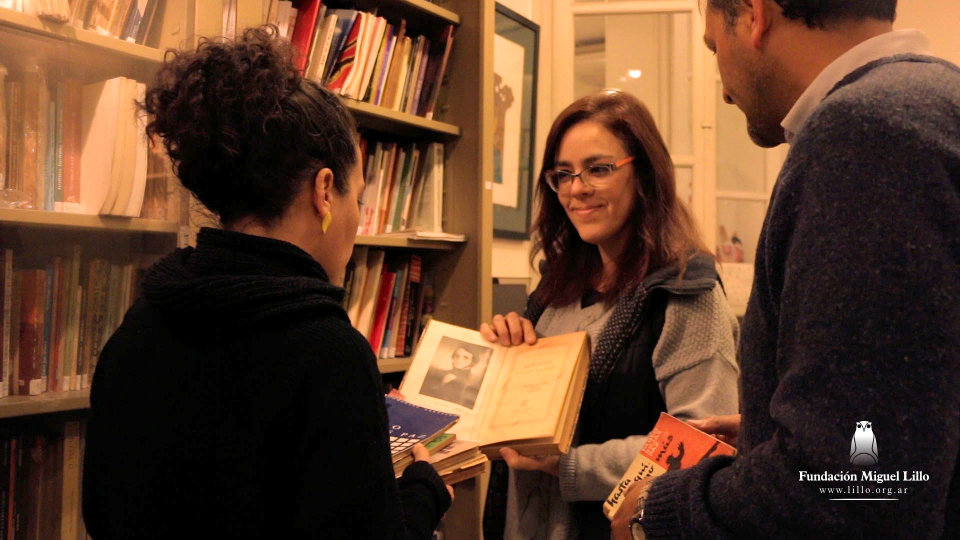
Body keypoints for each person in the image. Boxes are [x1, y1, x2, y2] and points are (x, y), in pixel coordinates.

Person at [81, 27, 451, 539]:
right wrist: (424, 493)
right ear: (325, 191)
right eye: (357, 200)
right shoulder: (327, 352)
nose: (355, 220)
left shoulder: (142, 321)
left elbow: (103, 510)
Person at [611, 1, 960, 538]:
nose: (724, 90)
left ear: (753, 16)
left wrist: (658, 511)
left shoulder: (864, 135)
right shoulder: (932, 105)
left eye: (712, 47)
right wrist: (770, 432)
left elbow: (855, 489)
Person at [481, 90, 741, 540]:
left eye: (598, 169)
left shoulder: (685, 293)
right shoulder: (553, 289)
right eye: (563, 174)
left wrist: (572, 467)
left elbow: (703, 445)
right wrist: (507, 355)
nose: (576, 189)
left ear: (644, 174)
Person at [420, 345, 485, 408]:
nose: (459, 360)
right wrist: (441, 384)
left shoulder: (473, 382)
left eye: (465, 357)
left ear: (472, 362)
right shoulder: (439, 373)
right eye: (457, 356)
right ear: (453, 357)